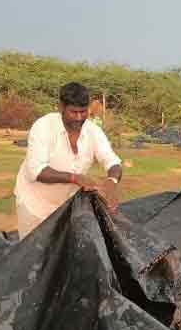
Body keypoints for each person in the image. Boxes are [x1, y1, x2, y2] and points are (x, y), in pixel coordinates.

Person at [14, 82, 124, 238]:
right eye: (73, 112)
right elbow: (36, 170)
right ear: (61, 107)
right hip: (34, 207)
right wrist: (75, 178)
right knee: (34, 256)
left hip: (66, 206)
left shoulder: (93, 131)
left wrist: (112, 181)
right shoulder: (44, 127)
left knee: (63, 254)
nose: (79, 118)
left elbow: (112, 161)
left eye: (83, 112)